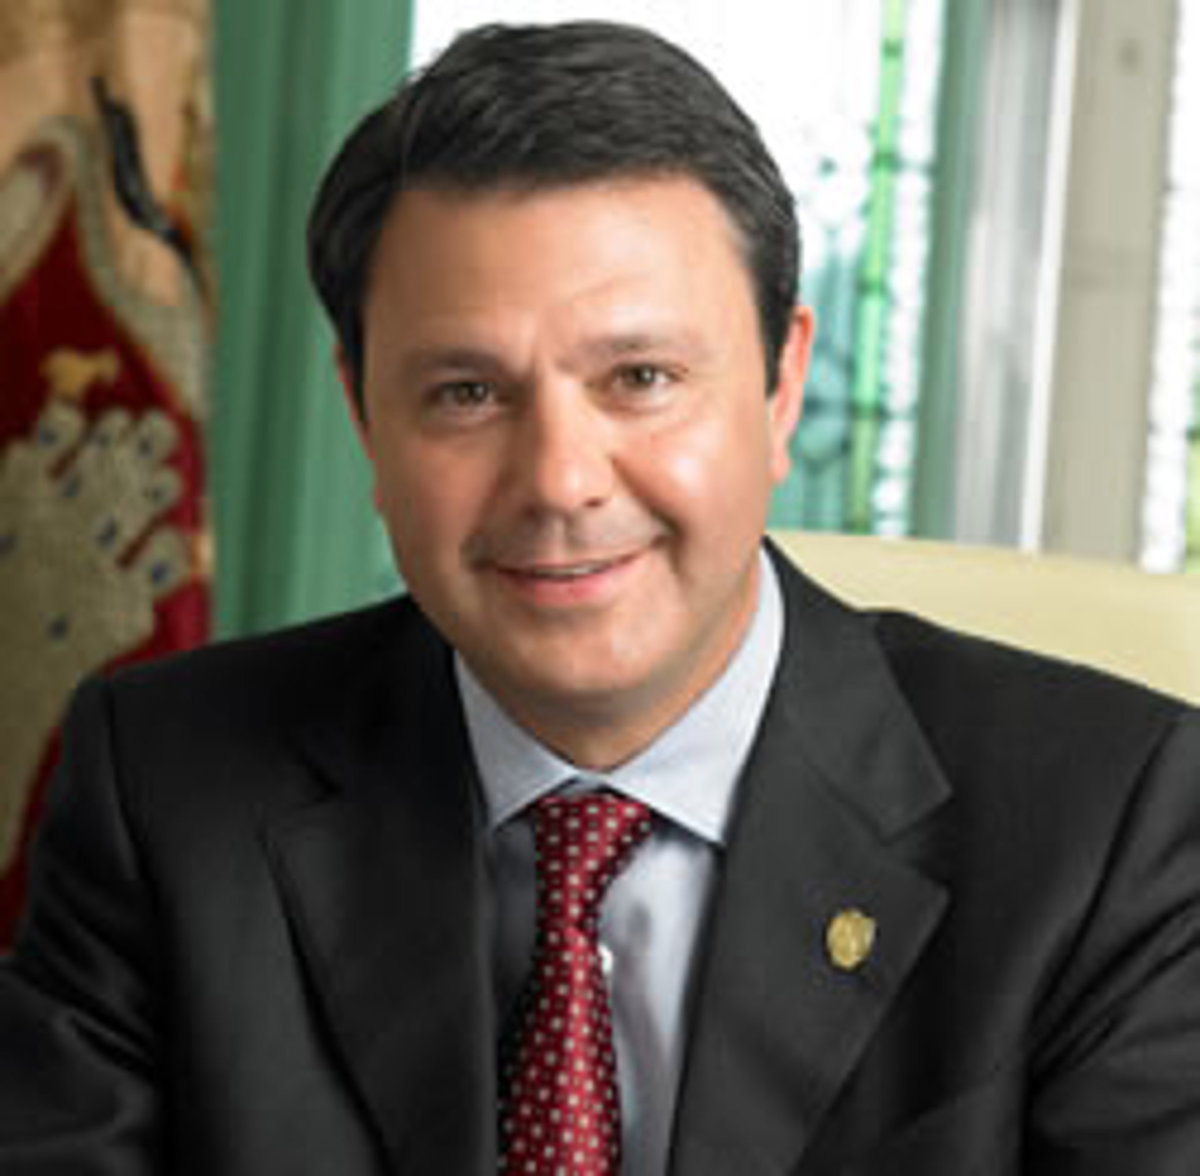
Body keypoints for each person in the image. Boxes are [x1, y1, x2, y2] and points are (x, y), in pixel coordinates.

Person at [2, 19, 1199, 1175]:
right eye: (468, 393)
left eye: (641, 378)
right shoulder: (165, 792)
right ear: (364, 414)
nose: (559, 481)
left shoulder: (1112, 828)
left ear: (782, 384)